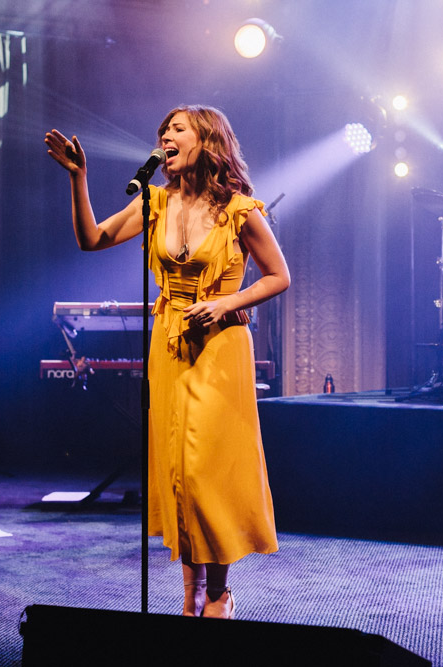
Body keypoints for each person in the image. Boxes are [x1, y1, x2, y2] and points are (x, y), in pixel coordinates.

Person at [45, 105, 290, 619]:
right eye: (162, 131)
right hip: (169, 342)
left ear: (207, 141)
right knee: (177, 465)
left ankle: (220, 589)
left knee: (209, 469)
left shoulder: (240, 210)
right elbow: (91, 240)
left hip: (220, 345)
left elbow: (277, 276)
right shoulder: (153, 202)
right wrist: (79, 179)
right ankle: (190, 591)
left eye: (177, 129)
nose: (165, 137)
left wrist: (226, 302)